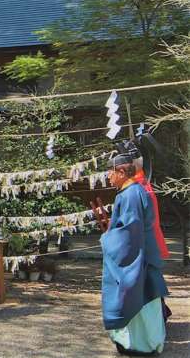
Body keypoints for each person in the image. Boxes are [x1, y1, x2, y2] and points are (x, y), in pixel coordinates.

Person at [101, 151, 169, 356]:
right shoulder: (131, 191)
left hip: (138, 258)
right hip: (140, 255)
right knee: (139, 298)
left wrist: (107, 239)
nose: (108, 177)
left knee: (137, 297)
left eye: (110, 172)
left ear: (121, 171)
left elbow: (130, 232)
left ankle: (143, 344)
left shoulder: (131, 194)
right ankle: (136, 342)